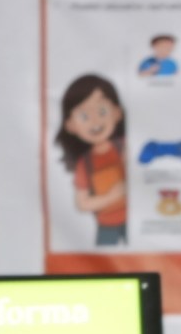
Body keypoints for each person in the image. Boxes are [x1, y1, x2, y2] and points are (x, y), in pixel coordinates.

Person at [54, 74, 128, 247]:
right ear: (70, 125)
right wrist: (111, 196)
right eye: (84, 116)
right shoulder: (84, 164)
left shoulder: (126, 147)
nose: (95, 121)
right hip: (107, 228)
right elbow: (82, 204)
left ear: (117, 113)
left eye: (102, 111)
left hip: (136, 220)